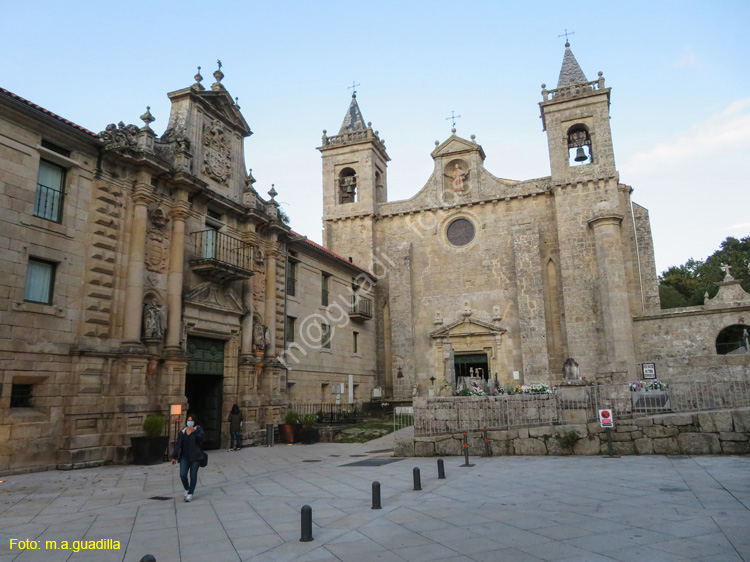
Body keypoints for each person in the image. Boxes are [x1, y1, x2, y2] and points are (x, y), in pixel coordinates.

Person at [171, 413, 205, 502]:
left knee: (193, 475)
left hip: (196, 457)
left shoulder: (198, 429)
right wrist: (174, 456)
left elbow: (202, 440)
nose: (190, 422)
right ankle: (187, 488)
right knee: (182, 474)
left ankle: (190, 493)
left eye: (191, 420)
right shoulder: (183, 431)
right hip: (184, 457)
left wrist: (195, 432)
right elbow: (178, 445)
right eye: (188, 420)